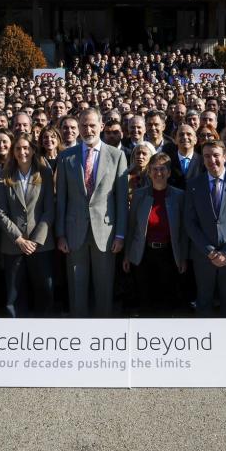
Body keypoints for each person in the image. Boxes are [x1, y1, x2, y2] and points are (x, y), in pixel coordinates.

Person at [56, 108, 128, 318]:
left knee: (104, 288)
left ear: (101, 127)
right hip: (73, 231)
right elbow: (61, 198)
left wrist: (121, 234)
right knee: (77, 288)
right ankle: (79, 333)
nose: (88, 129)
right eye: (84, 126)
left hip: (105, 233)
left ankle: (102, 335)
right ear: (78, 128)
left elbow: (121, 200)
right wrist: (60, 234)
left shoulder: (117, 156)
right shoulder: (66, 156)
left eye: (92, 125)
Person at [183, 140, 226, 317]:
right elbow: (190, 223)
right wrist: (210, 251)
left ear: (225, 156)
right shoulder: (193, 185)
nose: (212, 160)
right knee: (204, 302)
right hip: (203, 256)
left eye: (216, 155)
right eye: (207, 156)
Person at [0, 134, 55, 317]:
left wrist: (35, 240)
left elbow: (49, 210)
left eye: (26, 148)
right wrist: (19, 239)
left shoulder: (45, 173)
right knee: (14, 293)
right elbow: (1, 212)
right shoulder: (4, 175)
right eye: (18, 148)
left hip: (40, 244)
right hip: (13, 244)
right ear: (13, 152)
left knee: (44, 290)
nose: (23, 152)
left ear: (33, 150)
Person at [124, 152, 188, 315]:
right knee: (145, 299)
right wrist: (127, 255)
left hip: (169, 254)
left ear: (169, 172)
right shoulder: (139, 195)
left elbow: (183, 231)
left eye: (162, 169)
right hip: (143, 253)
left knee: (166, 300)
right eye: (154, 169)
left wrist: (182, 257)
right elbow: (131, 227)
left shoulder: (179, 196)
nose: (158, 173)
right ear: (149, 172)